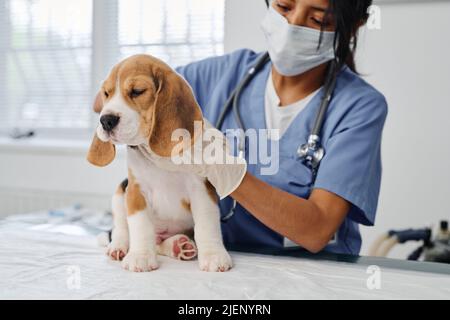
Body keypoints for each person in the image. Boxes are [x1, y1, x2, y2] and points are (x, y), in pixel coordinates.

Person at [96, 0, 388, 256]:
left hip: (312, 273)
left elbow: (317, 230)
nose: (293, 24)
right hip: (223, 265)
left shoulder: (359, 106)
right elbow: (107, 98)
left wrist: (229, 173)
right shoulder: (222, 74)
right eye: (284, 6)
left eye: (318, 20)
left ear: (352, 28)